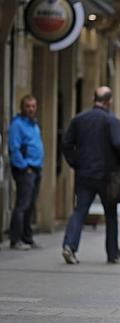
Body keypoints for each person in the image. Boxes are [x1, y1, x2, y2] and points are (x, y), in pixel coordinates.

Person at [61, 86, 120, 264]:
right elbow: (119, 143)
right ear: (109, 101)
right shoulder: (112, 121)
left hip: (84, 174)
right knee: (111, 215)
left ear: (93, 98)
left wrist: (75, 162)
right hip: (106, 176)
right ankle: (112, 254)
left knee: (79, 211)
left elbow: (66, 144)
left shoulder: (79, 119)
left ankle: (69, 246)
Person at [8, 95, 44, 250]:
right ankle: (15, 239)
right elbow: (14, 148)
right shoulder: (17, 124)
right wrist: (24, 167)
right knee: (22, 204)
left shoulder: (34, 125)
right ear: (22, 107)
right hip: (26, 169)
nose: (31, 109)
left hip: (36, 168)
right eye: (28, 106)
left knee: (30, 205)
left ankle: (27, 238)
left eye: (33, 106)